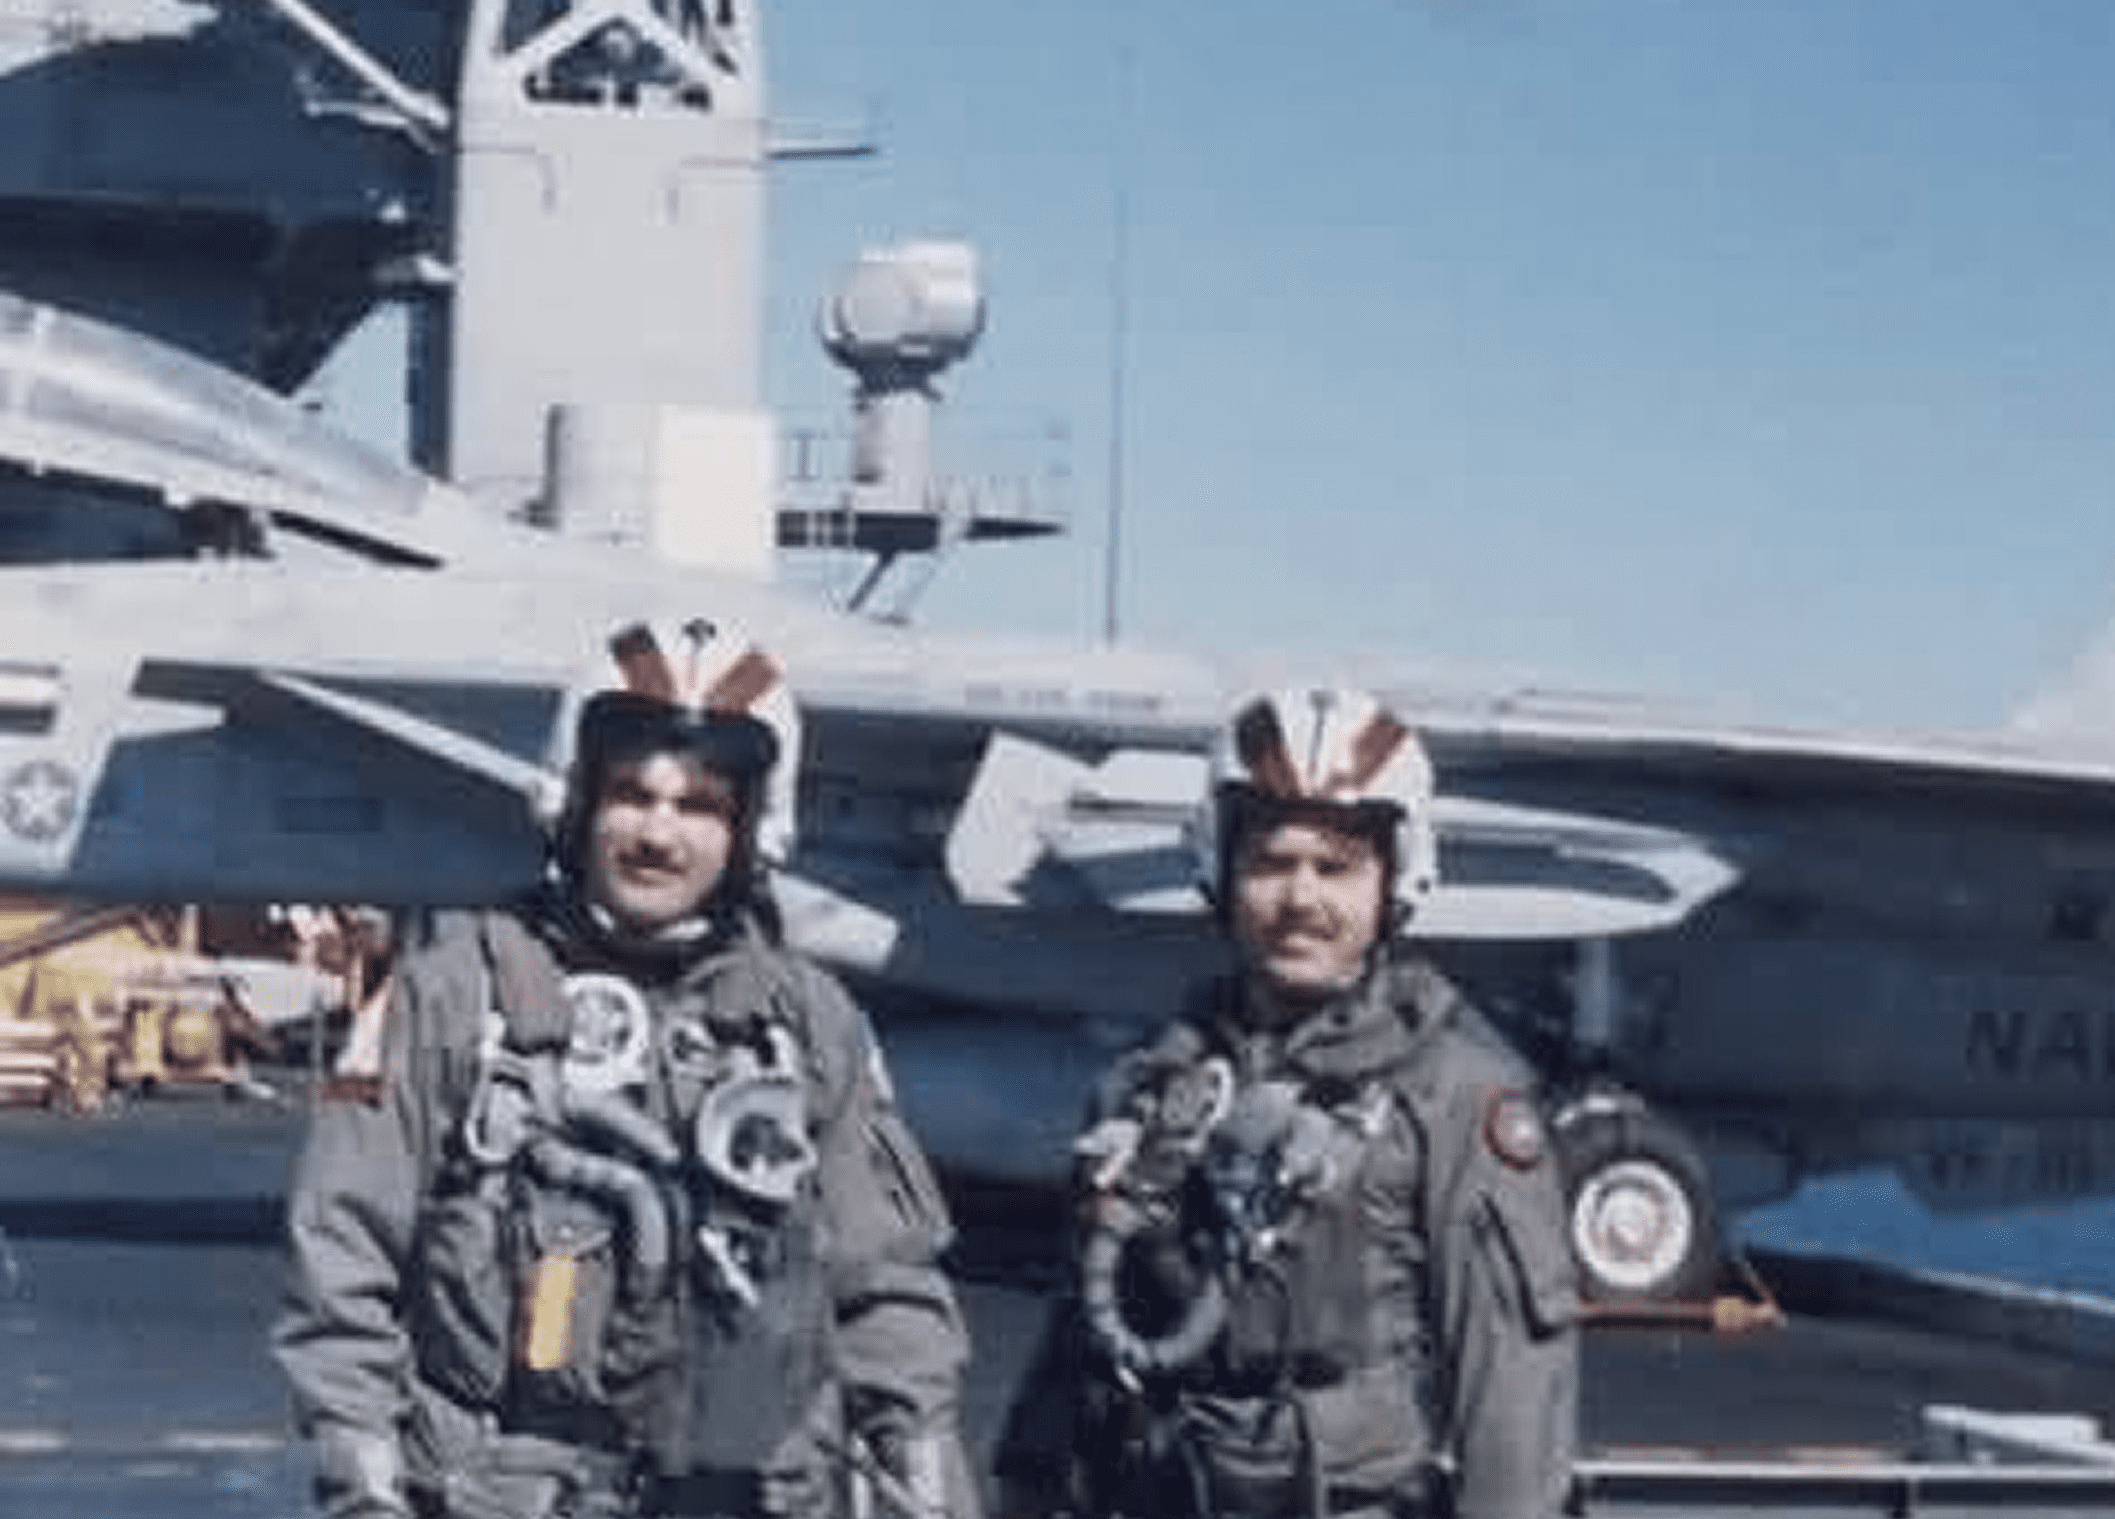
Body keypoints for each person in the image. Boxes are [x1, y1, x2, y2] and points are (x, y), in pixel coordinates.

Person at [274, 615, 978, 1519]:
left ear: (750, 831)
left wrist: (931, 1490)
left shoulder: (809, 1026)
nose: (659, 834)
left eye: (699, 806)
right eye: (632, 795)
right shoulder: (450, 1001)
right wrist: (366, 1495)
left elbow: (890, 1296)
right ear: (575, 800)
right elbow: (341, 1273)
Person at [993, 686, 1581, 1519]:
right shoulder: (1150, 1089)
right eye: (1271, 861)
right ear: (1221, 869)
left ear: (1393, 881)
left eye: (1336, 866)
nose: (1301, 897)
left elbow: (1512, 1392)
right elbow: (1076, 1349)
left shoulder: (1456, 1096)